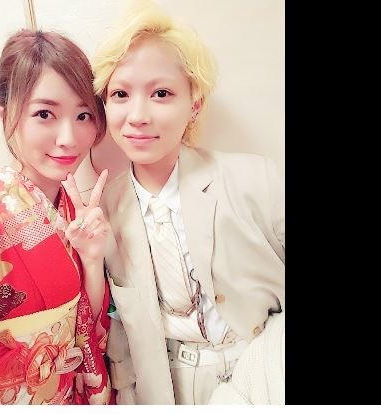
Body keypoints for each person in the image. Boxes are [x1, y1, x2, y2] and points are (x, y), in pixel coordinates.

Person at [91, 0, 285, 405]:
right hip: (168, 389)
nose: (138, 115)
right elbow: (120, 328)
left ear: (194, 103)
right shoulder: (104, 210)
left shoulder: (256, 179)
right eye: (120, 93)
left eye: (161, 93)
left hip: (265, 375)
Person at [0, 29, 112, 405]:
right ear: (4, 112)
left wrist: (92, 260)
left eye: (83, 115)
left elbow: (87, 324)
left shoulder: (73, 211)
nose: (68, 138)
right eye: (44, 114)